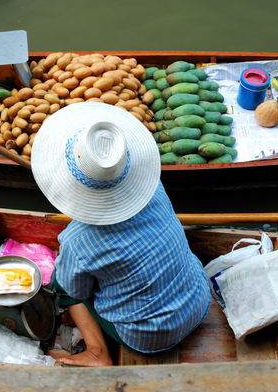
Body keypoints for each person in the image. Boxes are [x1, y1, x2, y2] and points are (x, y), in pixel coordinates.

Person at [30, 102, 211, 366]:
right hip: (198, 300)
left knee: (62, 281)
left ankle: (97, 351)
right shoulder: (154, 189)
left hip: (149, 336)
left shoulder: (77, 242)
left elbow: (76, 291)